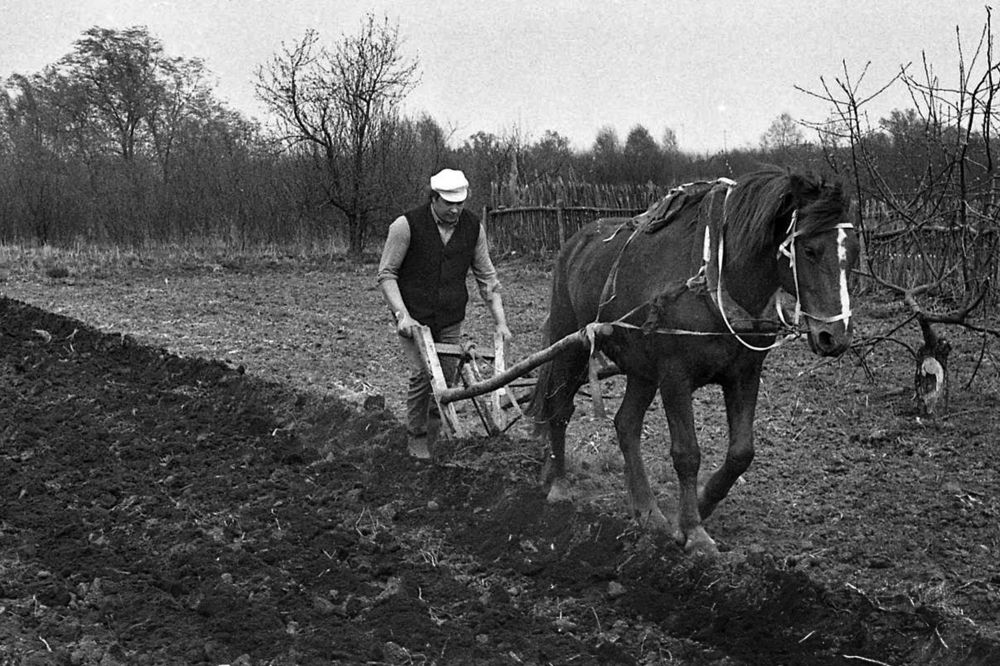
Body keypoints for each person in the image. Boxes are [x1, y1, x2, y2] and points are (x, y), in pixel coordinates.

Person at [377, 168, 512, 459]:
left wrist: (500, 322)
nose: (455, 210)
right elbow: (387, 274)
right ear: (434, 198)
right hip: (413, 314)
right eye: (448, 203)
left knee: (446, 377)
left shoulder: (473, 228)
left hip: (451, 314)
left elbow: (487, 277)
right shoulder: (406, 226)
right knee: (422, 375)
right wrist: (402, 315)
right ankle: (416, 437)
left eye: (460, 204)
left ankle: (434, 437)